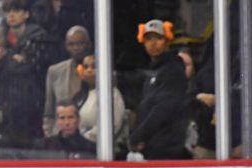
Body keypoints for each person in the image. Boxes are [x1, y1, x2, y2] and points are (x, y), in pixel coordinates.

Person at [129, 19, 188, 160]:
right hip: (152, 145)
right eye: (148, 39)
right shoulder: (152, 70)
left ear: (167, 40)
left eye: (159, 38)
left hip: (167, 149)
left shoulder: (173, 69)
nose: (153, 43)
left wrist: (138, 135)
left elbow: (163, 109)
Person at [43, 25, 91, 137]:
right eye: (71, 44)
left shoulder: (101, 72)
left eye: (80, 43)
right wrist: (49, 136)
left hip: (90, 138)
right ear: (66, 46)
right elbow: (49, 111)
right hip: (60, 137)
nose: (76, 48)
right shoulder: (55, 71)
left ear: (89, 44)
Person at [73, 53, 126, 146]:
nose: (89, 70)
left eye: (94, 66)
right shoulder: (81, 94)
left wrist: (83, 139)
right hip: (81, 145)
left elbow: (112, 125)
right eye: (86, 67)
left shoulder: (111, 93)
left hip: (104, 149)